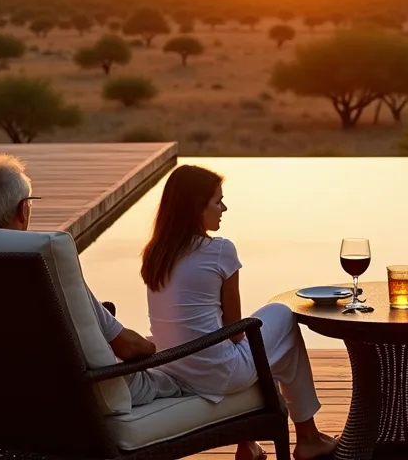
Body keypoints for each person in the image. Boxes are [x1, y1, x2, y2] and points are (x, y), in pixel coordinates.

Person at [142, 165, 337, 460]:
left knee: (270, 346)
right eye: (218, 201)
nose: (224, 208)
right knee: (281, 316)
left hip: (173, 365)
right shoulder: (220, 250)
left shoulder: (155, 253)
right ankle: (307, 437)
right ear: (198, 207)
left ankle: (247, 445)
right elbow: (234, 330)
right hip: (216, 373)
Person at [0, 154, 183, 406]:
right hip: (77, 402)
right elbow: (128, 347)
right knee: (188, 376)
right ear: (23, 209)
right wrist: (157, 348)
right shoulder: (43, 264)